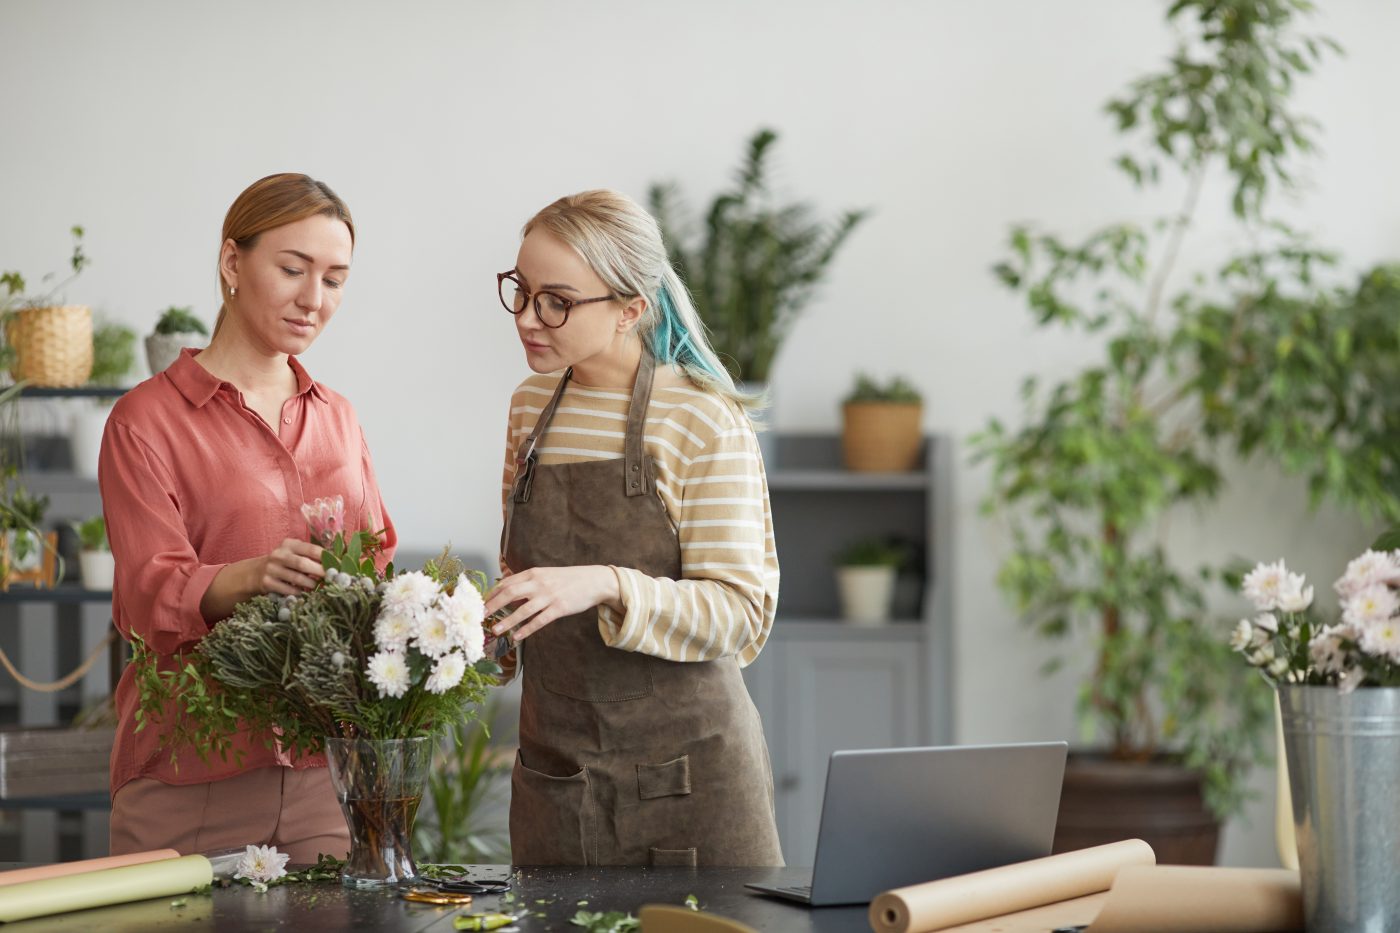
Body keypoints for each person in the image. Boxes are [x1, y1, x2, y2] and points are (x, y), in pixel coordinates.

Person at [101, 173, 397, 860]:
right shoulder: (146, 420)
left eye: (335, 278)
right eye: (293, 269)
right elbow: (146, 592)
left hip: (325, 772)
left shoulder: (338, 416)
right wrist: (248, 576)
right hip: (189, 773)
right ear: (233, 262)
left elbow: (375, 559)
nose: (313, 299)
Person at [484, 189, 783, 867]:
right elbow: (522, 572)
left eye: (556, 300)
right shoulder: (530, 407)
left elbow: (740, 611)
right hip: (558, 779)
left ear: (630, 309)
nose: (528, 318)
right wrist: (475, 626)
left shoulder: (701, 418)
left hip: (690, 780)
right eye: (521, 291)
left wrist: (605, 583)